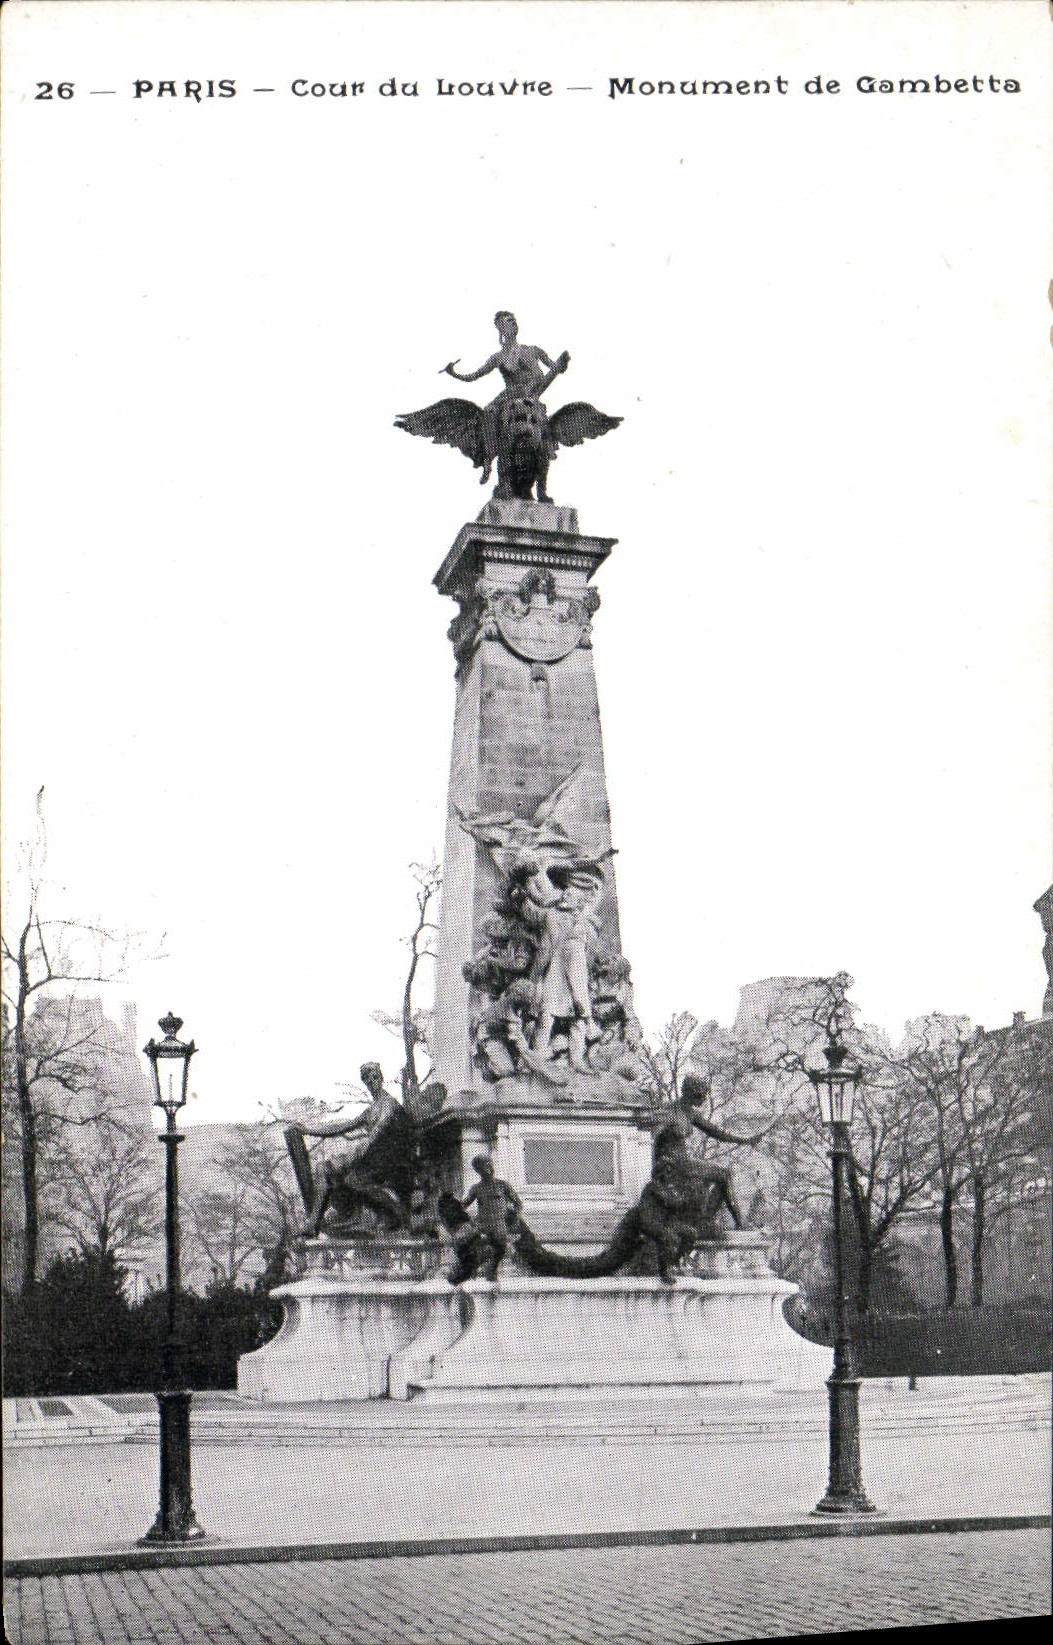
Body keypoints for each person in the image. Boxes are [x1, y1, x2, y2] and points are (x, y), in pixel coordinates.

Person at [443, 312, 570, 466]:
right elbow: (473, 376)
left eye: (514, 320)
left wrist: (562, 364)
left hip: (532, 391)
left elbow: (555, 368)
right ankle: (488, 458)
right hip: (508, 395)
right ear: (501, 329)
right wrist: (454, 374)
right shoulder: (498, 357)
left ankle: (547, 449)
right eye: (508, 322)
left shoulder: (534, 350)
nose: (513, 323)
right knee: (489, 412)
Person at [459, 1154, 523, 1280]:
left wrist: (513, 1220)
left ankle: (493, 1272)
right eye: (483, 1166)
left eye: (489, 1165)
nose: (488, 1168)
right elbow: (463, 1206)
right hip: (483, 1225)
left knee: (500, 1249)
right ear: (478, 1170)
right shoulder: (476, 1188)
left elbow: (518, 1204)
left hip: (500, 1225)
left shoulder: (502, 1185)